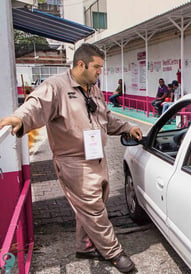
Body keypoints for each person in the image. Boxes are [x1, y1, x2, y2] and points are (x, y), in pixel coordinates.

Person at [0, 43, 141, 273]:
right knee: (94, 210)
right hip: (73, 162)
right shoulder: (55, 87)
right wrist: (19, 119)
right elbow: (35, 106)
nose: (100, 72)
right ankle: (114, 252)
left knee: (93, 206)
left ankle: (84, 246)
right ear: (81, 64)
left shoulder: (92, 88)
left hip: (98, 158)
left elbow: (107, 118)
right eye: (96, 67)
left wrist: (127, 127)